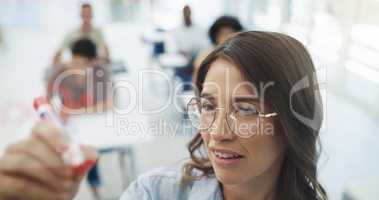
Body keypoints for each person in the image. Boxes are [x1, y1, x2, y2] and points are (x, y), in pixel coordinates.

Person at [0, 31, 328, 200]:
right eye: (209, 106)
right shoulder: (157, 192)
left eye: (245, 109)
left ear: (293, 120)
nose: (218, 132)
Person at [193, 16, 243, 81]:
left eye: (230, 33)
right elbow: (196, 79)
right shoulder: (206, 54)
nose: (226, 37)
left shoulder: (240, 56)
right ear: (215, 36)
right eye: (222, 34)